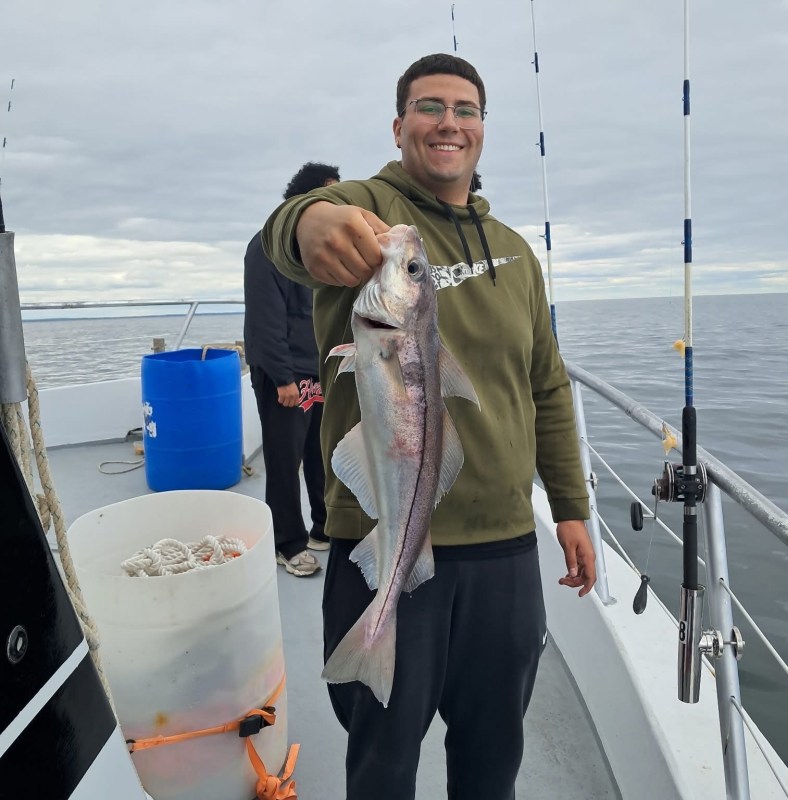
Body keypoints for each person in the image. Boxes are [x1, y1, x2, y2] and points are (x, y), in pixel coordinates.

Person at [263, 54, 596, 798]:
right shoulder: (374, 214)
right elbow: (289, 229)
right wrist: (313, 219)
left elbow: (546, 383)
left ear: (482, 129)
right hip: (385, 536)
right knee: (383, 761)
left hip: (505, 547)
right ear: (400, 124)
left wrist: (570, 507)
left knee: (492, 756)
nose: (449, 122)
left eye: (466, 110)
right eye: (430, 106)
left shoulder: (516, 250)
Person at [244, 161, 340, 577]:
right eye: (330, 195)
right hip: (285, 377)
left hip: (316, 372)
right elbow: (265, 319)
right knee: (284, 461)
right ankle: (288, 543)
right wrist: (283, 378)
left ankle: (322, 527)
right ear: (307, 197)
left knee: (322, 454)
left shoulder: (316, 249)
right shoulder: (268, 245)